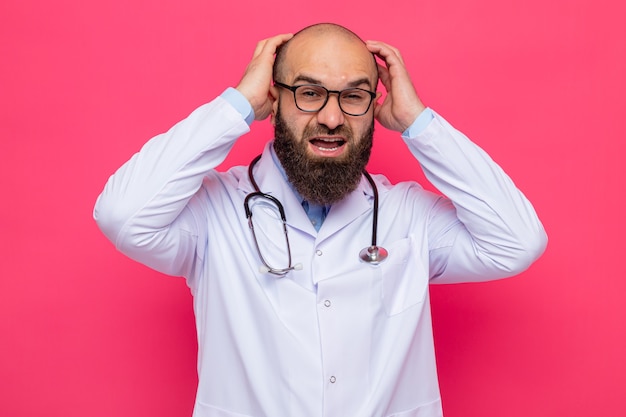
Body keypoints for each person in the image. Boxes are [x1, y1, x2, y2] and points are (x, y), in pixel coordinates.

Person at [94, 23, 547, 417]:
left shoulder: (409, 216)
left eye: (353, 96)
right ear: (274, 95)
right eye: (309, 93)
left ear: (375, 104)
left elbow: (518, 242)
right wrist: (235, 107)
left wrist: (417, 123)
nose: (332, 118)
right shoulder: (217, 210)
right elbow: (122, 215)